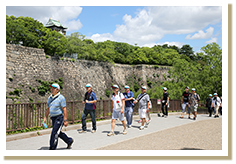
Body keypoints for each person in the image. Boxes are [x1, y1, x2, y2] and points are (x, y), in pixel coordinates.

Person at [43, 83, 73, 150]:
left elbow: (64, 109)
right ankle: (69, 141)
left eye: (54, 88)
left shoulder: (61, 98)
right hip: (53, 118)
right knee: (58, 133)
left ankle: (52, 148)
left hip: (59, 118)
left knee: (54, 133)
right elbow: (48, 108)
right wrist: (45, 117)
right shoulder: (50, 98)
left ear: (57, 90)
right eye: (51, 88)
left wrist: (65, 120)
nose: (52, 89)